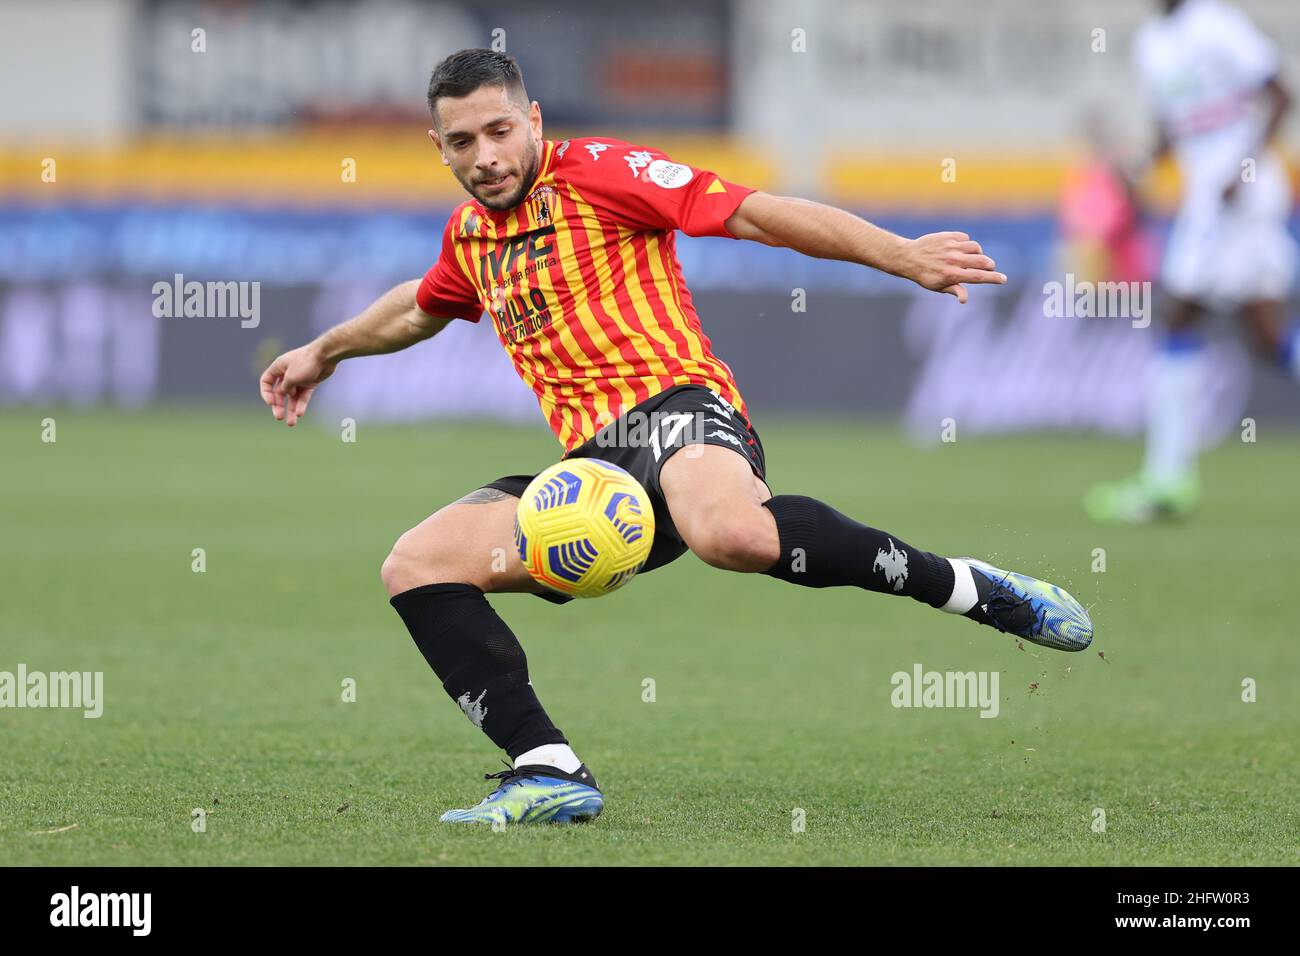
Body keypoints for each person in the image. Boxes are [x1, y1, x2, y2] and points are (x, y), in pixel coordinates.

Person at [259, 49, 1093, 826]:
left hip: (681, 411)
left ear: (535, 120)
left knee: (730, 533)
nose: (486, 156)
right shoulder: (472, 237)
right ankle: (547, 769)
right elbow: (420, 305)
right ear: (438, 148)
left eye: (500, 131)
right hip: (590, 477)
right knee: (414, 564)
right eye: (463, 141)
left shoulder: (603, 173)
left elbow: (756, 215)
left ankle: (968, 587)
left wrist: (901, 255)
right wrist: (322, 351)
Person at [1087, 0, 1296, 523]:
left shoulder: (1215, 23)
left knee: (1180, 315)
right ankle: (1168, 481)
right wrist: (1139, 168)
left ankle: (1167, 482)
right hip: (1208, 200)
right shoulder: (1152, 44)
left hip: (1240, 195)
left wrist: (1242, 167)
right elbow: (1172, 129)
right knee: (1269, 338)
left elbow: (1280, 94)